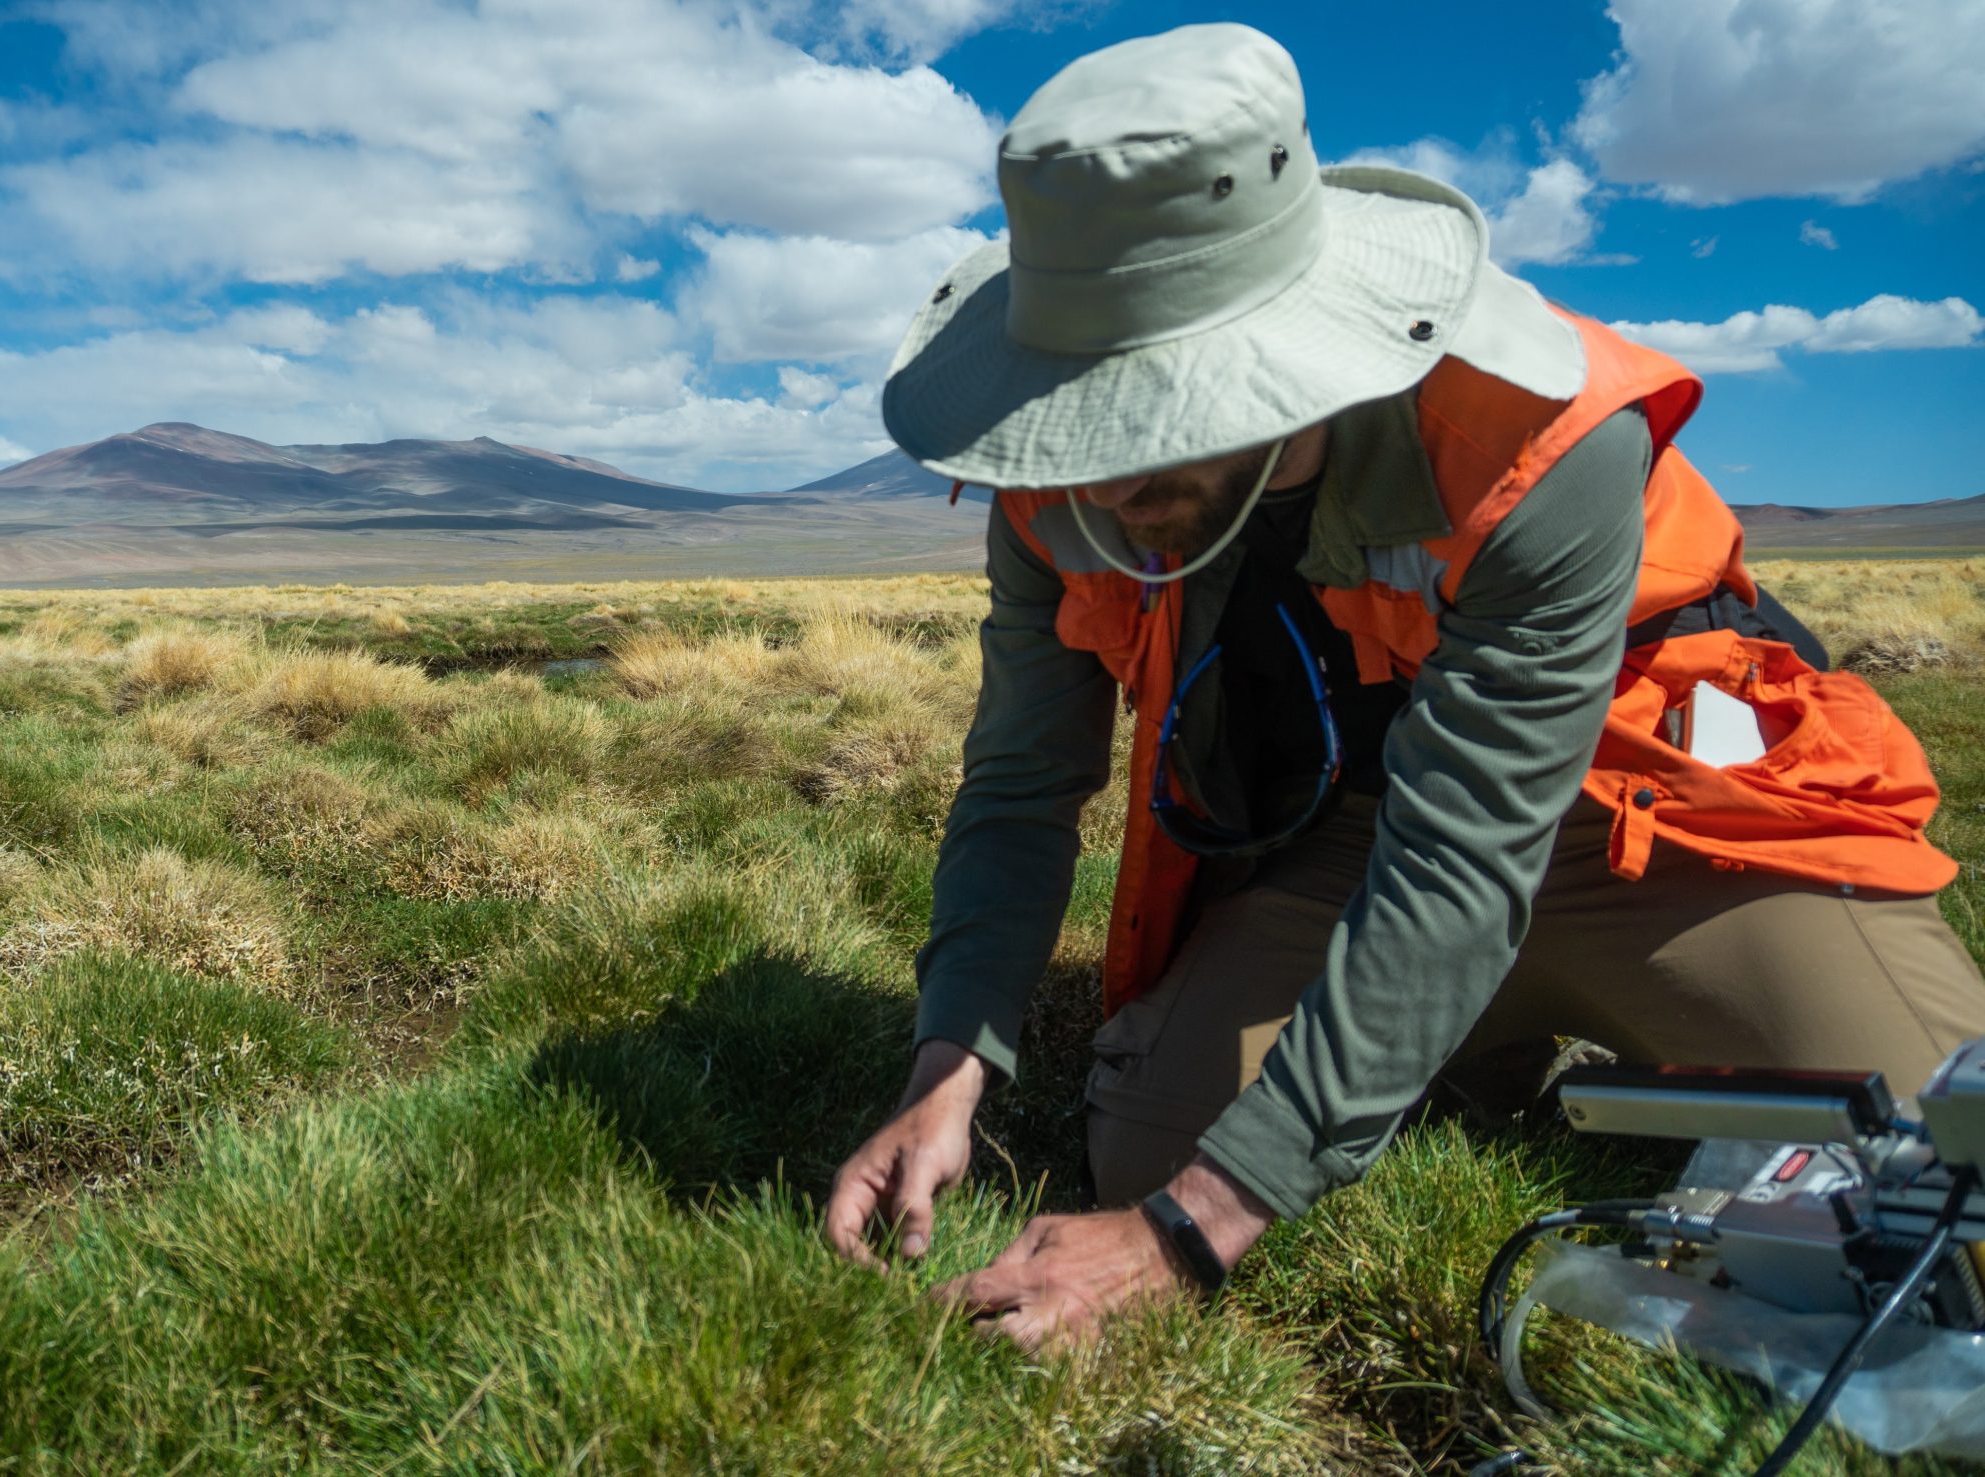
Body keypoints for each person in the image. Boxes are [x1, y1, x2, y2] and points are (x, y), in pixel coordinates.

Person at [820, 22, 1985, 1351]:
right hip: (1360, 832)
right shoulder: (1053, 493)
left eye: (1142, 414)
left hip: (1646, 808)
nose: (1099, 482)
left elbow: (1470, 853)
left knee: (1955, 1162)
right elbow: (1024, 782)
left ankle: (1498, 1035)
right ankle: (1461, 1050)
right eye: (1076, 413)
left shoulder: (1536, 438)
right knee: (1145, 1145)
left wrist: (1195, 1229)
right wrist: (950, 1061)